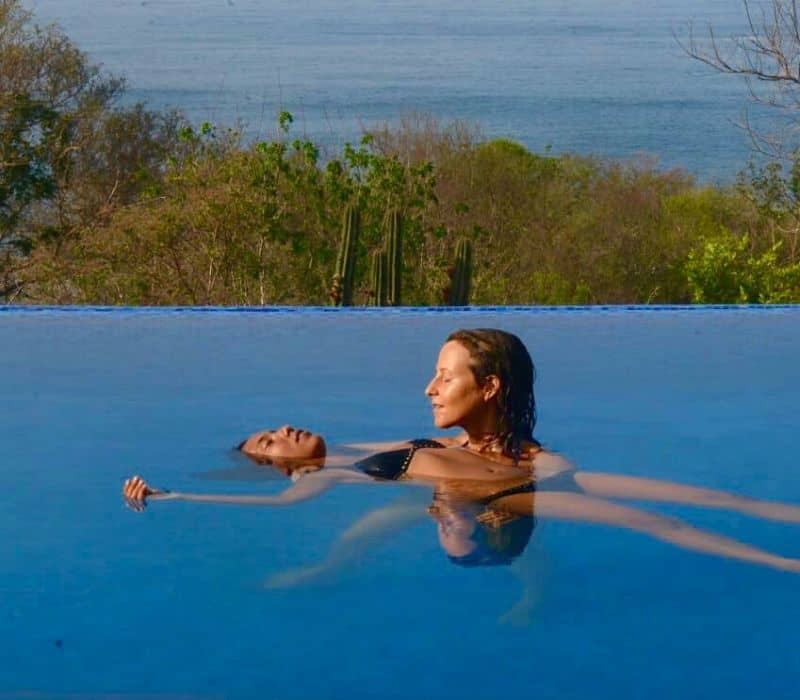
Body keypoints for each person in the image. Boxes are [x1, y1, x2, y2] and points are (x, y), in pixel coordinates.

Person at [124, 328, 800, 574]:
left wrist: (522, 453)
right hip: (506, 494)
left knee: (720, 497)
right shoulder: (328, 477)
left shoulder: (368, 445)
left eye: (444, 376)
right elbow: (271, 511)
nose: (284, 433)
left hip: (525, 469)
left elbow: (493, 446)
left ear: (492, 387)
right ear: (278, 465)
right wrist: (175, 496)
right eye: (269, 444)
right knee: (662, 524)